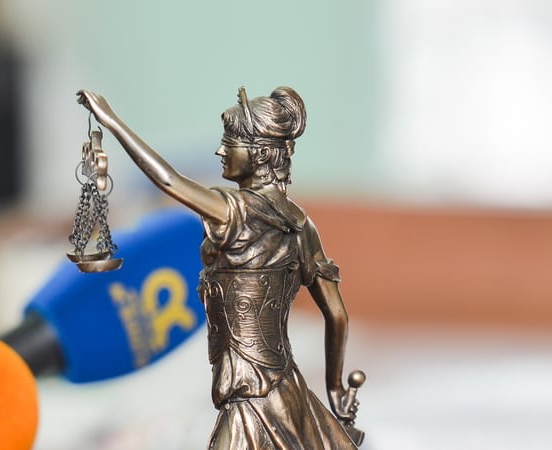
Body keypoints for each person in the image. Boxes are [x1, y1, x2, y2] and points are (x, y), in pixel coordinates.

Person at [78, 86, 359, 449]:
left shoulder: (235, 213)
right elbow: (337, 314)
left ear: (260, 154)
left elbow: (168, 180)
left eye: (230, 143)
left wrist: (113, 122)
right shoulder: (302, 227)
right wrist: (335, 387)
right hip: (283, 387)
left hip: (248, 393)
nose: (220, 151)